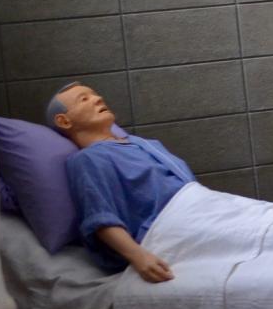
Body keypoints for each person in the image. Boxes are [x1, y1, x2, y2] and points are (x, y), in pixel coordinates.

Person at [50, 82, 195, 283]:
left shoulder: (146, 145)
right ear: (64, 121)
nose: (98, 99)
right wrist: (138, 256)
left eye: (95, 94)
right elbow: (100, 217)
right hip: (168, 228)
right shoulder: (89, 159)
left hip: (199, 209)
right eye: (84, 99)